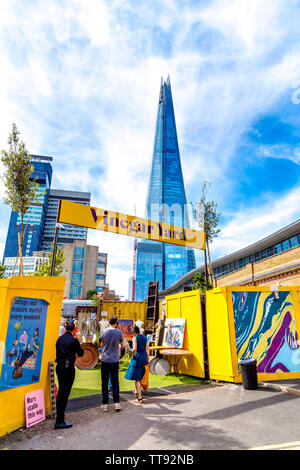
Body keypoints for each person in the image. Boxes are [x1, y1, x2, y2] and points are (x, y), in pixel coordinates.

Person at [54, 321, 84, 429]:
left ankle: (60, 417)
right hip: (68, 367)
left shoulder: (59, 339)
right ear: (73, 329)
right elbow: (81, 353)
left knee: (62, 391)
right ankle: (59, 420)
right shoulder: (74, 340)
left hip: (60, 366)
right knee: (64, 393)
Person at [98, 315, 125, 412]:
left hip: (105, 360)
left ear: (109, 322)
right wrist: (120, 354)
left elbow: (99, 344)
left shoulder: (103, 331)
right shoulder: (119, 332)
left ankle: (105, 404)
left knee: (104, 382)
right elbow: (123, 346)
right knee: (115, 382)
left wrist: (105, 346)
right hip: (114, 360)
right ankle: (117, 403)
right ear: (116, 322)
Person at [124, 326, 149, 403]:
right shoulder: (145, 338)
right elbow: (147, 349)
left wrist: (132, 356)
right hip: (144, 356)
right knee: (141, 375)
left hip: (138, 357)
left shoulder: (135, 338)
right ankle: (136, 391)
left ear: (134, 332)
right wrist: (148, 359)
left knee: (137, 378)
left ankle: (139, 397)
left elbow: (134, 349)